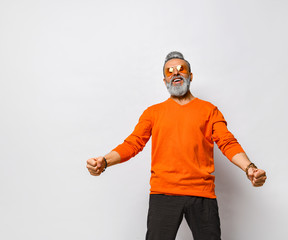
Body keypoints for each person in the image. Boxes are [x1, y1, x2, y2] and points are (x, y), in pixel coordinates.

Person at [86, 51, 267, 240]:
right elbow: (133, 143)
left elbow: (227, 142)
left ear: (190, 76)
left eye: (181, 69)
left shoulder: (209, 111)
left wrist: (249, 168)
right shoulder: (153, 113)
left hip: (202, 194)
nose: (176, 73)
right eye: (169, 71)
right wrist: (104, 161)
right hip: (163, 194)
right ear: (164, 80)